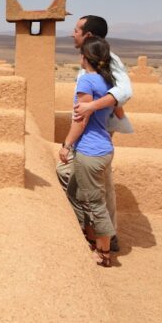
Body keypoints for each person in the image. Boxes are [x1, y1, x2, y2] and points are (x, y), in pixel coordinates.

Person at [67, 15, 133, 251]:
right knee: (96, 183)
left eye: (76, 30)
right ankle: (100, 232)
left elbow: (125, 91)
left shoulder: (109, 59)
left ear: (89, 36)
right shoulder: (92, 60)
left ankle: (105, 238)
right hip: (92, 134)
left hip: (96, 134)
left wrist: (90, 107)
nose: (72, 33)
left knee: (96, 184)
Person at [57, 36, 117, 266]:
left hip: (89, 151)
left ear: (85, 57)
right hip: (104, 148)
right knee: (74, 192)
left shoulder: (86, 82)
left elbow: (81, 120)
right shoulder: (107, 82)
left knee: (94, 201)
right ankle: (87, 235)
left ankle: (103, 252)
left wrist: (66, 145)